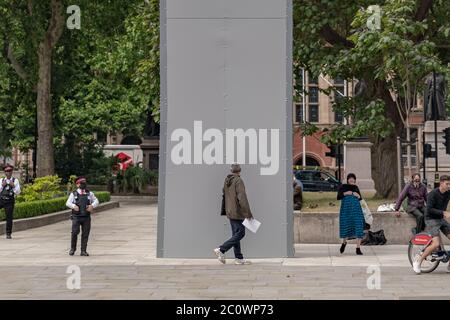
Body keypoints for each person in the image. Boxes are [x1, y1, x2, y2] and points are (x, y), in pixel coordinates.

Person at [215, 164, 253, 265]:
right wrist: (248, 213)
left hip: (230, 211)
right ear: (239, 171)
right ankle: (222, 249)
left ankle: (238, 258)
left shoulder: (227, 180)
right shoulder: (238, 180)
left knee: (235, 234)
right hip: (237, 212)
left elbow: (224, 195)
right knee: (241, 233)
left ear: (231, 171)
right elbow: (242, 198)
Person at [412, 175, 450, 274]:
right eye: (447, 184)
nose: (448, 186)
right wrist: (443, 213)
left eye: (449, 184)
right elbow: (429, 210)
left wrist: (443, 214)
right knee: (436, 243)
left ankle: (449, 266)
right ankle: (418, 261)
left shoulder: (448, 193)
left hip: (441, 219)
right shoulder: (433, 194)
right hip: (431, 219)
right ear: (441, 183)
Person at [66, 177, 99, 256]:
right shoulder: (74, 194)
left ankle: (83, 251)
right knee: (74, 232)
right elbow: (67, 203)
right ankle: (72, 249)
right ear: (77, 185)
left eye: (84, 183)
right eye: (81, 183)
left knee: (85, 233)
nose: (83, 185)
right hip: (76, 217)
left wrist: (92, 206)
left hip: (86, 217)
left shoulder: (89, 193)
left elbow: (96, 201)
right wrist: (73, 206)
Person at [337, 173, 365, 255]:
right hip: (346, 211)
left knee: (359, 227)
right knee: (346, 226)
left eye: (353, 178)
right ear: (348, 179)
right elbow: (338, 196)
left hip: (357, 210)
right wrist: (346, 193)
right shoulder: (343, 187)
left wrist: (358, 196)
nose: (352, 180)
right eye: (350, 178)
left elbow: (361, 199)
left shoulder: (356, 187)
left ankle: (358, 248)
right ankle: (344, 243)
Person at [0, 165, 21, 239]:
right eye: (6, 171)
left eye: (9, 171)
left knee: (9, 218)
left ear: (12, 172)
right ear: (4, 172)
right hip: (1, 199)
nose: (7, 173)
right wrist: (2, 186)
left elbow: (18, 192)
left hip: (9, 201)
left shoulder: (15, 181)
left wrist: (13, 186)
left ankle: (8, 233)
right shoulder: (1, 180)